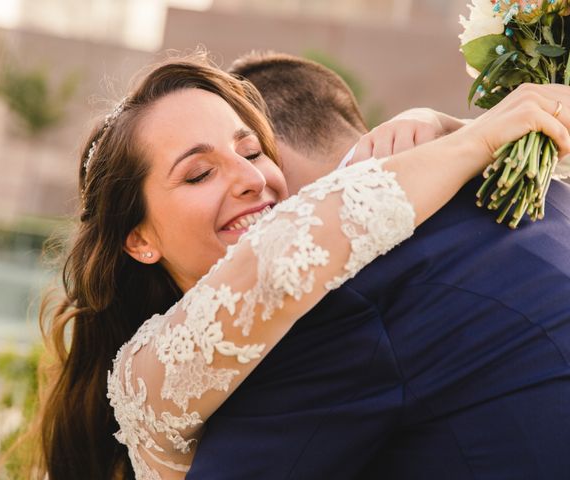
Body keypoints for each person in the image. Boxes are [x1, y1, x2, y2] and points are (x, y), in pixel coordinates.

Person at [37, 53, 570, 480]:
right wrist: (467, 136)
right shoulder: (151, 368)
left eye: (251, 152)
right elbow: (283, 258)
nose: (250, 179)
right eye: (199, 174)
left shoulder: (335, 307)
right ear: (139, 239)